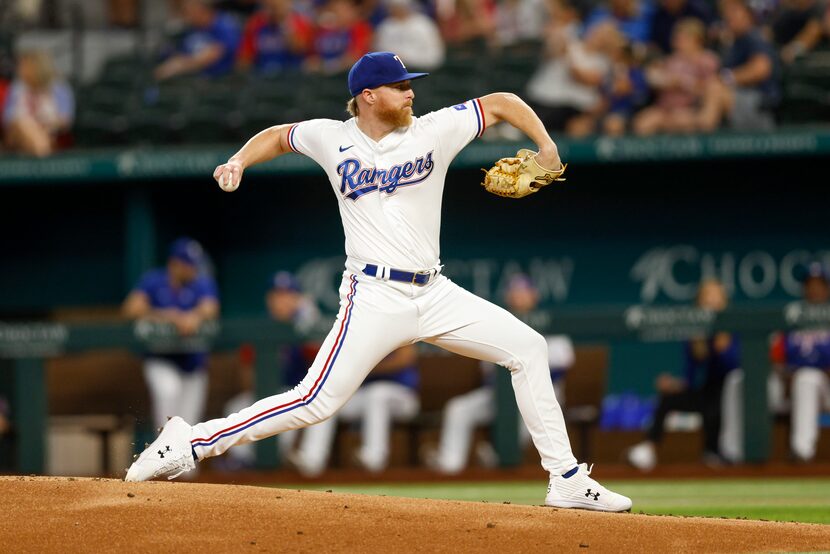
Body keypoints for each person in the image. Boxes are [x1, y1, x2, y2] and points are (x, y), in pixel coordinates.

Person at [126, 50, 632, 513]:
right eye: (400, 85)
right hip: (373, 294)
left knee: (530, 347)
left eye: (411, 83)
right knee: (314, 402)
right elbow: (279, 135)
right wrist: (239, 159)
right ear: (368, 96)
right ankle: (188, 443)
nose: (411, 92)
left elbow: (501, 102)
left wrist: (545, 146)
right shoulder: (332, 136)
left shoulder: (434, 129)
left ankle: (564, 478)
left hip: (435, 292)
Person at [425, 274, 575, 475]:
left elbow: (565, 357)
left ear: (534, 295)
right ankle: (449, 464)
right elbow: (486, 366)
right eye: (514, 292)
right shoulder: (501, 325)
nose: (518, 296)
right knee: (459, 408)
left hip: (540, 393)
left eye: (523, 291)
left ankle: (499, 459)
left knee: (529, 413)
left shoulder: (550, 322)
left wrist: (526, 357)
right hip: (500, 395)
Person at [627, 279, 741, 471]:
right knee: (668, 399)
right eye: (706, 297)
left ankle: (714, 452)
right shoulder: (695, 332)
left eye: (716, 296)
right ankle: (649, 448)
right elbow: (693, 376)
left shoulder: (735, 327)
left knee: (719, 395)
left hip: (731, 395)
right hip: (705, 393)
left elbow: (733, 366)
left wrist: (722, 346)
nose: (711, 302)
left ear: (725, 301)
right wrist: (677, 384)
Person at [122, 237, 220, 431]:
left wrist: (194, 315)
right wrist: (168, 316)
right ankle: (164, 455)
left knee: (190, 425)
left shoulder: (201, 283)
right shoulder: (154, 280)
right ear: (174, 264)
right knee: (168, 394)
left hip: (193, 362)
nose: (192, 269)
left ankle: (186, 461)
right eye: (188, 265)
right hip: (161, 358)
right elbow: (130, 309)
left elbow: (211, 308)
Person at [287, 345, 420, 476]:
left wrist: (367, 367)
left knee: (377, 394)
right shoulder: (359, 333)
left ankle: (374, 457)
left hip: (403, 397)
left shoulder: (393, 327)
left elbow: (405, 358)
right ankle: (312, 459)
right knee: (329, 400)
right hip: (366, 396)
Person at [770, 262, 830, 463]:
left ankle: (802, 452)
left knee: (807, 377)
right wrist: (785, 375)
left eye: (819, 284)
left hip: (825, 385)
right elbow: (775, 358)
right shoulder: (792, 315)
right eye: (809, 284)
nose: (814, 289)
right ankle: (745, 457)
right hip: (792, 382)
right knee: (761, 382)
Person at [632, 18, 721, 135]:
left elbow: (710, 88)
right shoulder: (672, 60)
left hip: (691, 108)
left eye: (683, 39)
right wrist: (656, 78)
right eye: (677, 39)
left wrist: (682, 83)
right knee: (643, 123)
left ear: (697, 40)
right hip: (664, 109)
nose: (677, 43)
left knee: (680, 121)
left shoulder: (706, 59)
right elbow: (657, 81)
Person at [702, 0, 780, 131]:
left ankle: (701, 140)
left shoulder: (753, 37)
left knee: (716, 91)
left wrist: (726, 78)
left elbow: (761, 69)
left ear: (748, 15)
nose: (729, 17)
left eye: (735, 12)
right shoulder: (735, 42)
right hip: (741, 98)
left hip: (760, 101)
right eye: (727, 14)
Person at [2, 49, 74, 158]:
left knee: (33, 131)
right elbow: (8, 120)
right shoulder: (16, 88)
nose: (20, 70)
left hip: (51, 133)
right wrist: (31, 125)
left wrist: (42, 124)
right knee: (24, 123)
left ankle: (39, 151)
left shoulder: (59, 88)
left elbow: (65, 121)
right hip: (17, 134)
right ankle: (43, 156)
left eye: (25, 66)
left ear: (38, 67)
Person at [154, 0, 241, 81]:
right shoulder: (192, 28)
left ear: (202, 9)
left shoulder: (223, 25)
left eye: (189, 12)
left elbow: (210, 56)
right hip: (195, 80)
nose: (187, 17)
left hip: (222, 81)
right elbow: (181, 53)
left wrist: (178, 66)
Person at [237, 0, 313, 75]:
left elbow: (299, 49)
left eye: (279, 4)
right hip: (262, 75)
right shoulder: (256, 24)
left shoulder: (300, 22)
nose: (274, 8)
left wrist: (283, 24)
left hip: (291, 76)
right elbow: (245, 57)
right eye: (270, 5)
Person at [374, 0, 445, 71]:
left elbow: (435, 56)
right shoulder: (385, 26)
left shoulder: (424, 24)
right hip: (392, 73)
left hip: (422, 72)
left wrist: (408, 59)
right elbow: (380, 53)